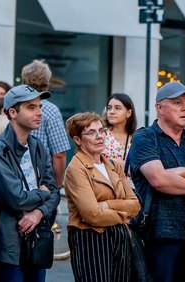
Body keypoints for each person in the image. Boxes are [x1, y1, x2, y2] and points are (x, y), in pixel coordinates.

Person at [126, 82, 185, 282]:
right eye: (177, 103)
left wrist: (175, 174)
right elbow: (159, 180)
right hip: (159, 235)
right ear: (160, 108)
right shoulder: (144, 137)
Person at [0, 85, 60, 282]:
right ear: (12, 112)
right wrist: (42, 194)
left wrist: (38, 213)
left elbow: (54, 192)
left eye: (39, 107)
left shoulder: (38, 147)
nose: (39, 113)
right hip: (10, 243)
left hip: (37, 239)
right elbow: (15, 198)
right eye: (31, 107)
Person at [63, 112, 140, 282]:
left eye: (102, 130)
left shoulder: (112, 165)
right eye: (91, 132)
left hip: (119, 237)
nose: (99, 136)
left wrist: (107, 204)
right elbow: (93, 214)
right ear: (77, 140)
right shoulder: (76, 168)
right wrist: (122, 215)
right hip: (91, 238)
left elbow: (135, 205)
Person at [22, 61, 71, 188]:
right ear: (47, 81)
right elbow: (59, 154)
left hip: (17, 178)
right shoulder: (50, 110)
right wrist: (58, 185)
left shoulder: (16, 106)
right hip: (43, 181)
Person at [103, 93, 136, 163]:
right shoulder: (101, 134)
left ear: (129, 113)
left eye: (117, 108)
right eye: (109, 108)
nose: (112, 112)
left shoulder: (136, 138)